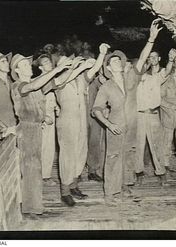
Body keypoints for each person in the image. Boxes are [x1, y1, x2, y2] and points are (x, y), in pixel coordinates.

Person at [10, 53, 73, 216]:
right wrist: (57, 68)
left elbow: (57, 82)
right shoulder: (18, 85)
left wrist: (74, 68)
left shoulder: (34, 83)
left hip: (36, 128)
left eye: (28, 64)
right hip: (27, 129)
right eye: (23, 65)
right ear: (16, 70)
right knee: (31, 169)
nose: (28, 66)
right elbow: (31, 88)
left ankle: (34, 206)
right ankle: (31, 208)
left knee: (35, 169)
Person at [54, 43, 110, 207]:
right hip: (67, 122)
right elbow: (66, 78)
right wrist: (79, 67)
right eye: (66, 64)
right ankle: (65, 192)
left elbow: (93, 70)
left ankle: (74, 185)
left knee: (80, 152)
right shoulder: (58, 80)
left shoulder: (80, 78)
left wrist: (101, 54)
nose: (70, 66)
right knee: (67, 156)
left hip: (81, 120)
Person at [93, 50, 142, 205]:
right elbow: (96, 109)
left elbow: (141, 60)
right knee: (113, 159)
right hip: (116, 126)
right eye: (113, 61)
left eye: (119, 60)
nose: (118, 62)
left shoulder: (130, 79)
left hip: (132, 126)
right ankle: (109, 194)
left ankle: (123, 186)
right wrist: (109, 124)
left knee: (128, 156)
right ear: (108, 68)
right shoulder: (106, 86)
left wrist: (151, 39)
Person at [134, 19, 176, 185]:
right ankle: (138, 173)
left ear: (159, 59)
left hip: (153, 115)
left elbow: (167, 71)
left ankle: (161, 173)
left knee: (156, 145)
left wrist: (171, 59)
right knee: (138, 145)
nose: (151, 59)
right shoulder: (140, 75)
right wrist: (150, 39)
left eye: (154, 56)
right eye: (149, 57)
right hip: (138, 116)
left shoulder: (159, 77)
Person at [34, 54, 61, 186]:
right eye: (45, 62)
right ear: (40, 67)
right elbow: (36, 102)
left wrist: (56, 107)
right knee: (43, 146)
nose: (49, 63)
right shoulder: (38, 81)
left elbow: (51, 96)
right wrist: (44, 116)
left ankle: (46, 174)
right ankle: (42, 177)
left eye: (49, 61)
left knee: (50, 146)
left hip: (51, 115)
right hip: (43, 118)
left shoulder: (52, 79)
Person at [86, 70, 108, 182]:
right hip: (88, 117)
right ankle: (85, 171)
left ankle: (95, 169)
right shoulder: (90, 84)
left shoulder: (102, 83)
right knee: (89, 142)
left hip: (99, 118)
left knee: (97, 143)